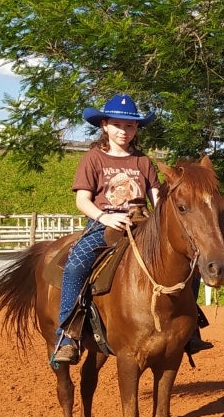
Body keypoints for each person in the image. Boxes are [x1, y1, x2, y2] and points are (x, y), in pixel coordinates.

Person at [52, 94, 161, 364]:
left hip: (143, 226)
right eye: (117, 125)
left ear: (136, 129)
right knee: (76, 264)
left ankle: (190, 328)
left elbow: (158, 199)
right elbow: (82, 200)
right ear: (104, 125)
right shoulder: (93, 158)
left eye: (130, 126)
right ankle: (68, 335)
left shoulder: (144, 162)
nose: (123, 131)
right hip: (105, 224)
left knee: (185, 262)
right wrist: (104, 217)